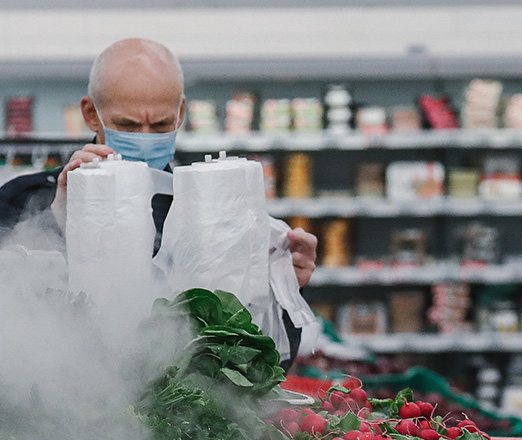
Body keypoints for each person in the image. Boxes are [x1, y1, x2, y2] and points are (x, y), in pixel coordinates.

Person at [0, 38, 317, 363]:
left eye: (162, 124)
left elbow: (254, 362)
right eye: (128, 125)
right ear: (91, 115)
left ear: (180, 113)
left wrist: (284, 288)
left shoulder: (208, 211)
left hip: (183, 405)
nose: (147, 139)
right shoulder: (23, 199)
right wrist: (56, 220)